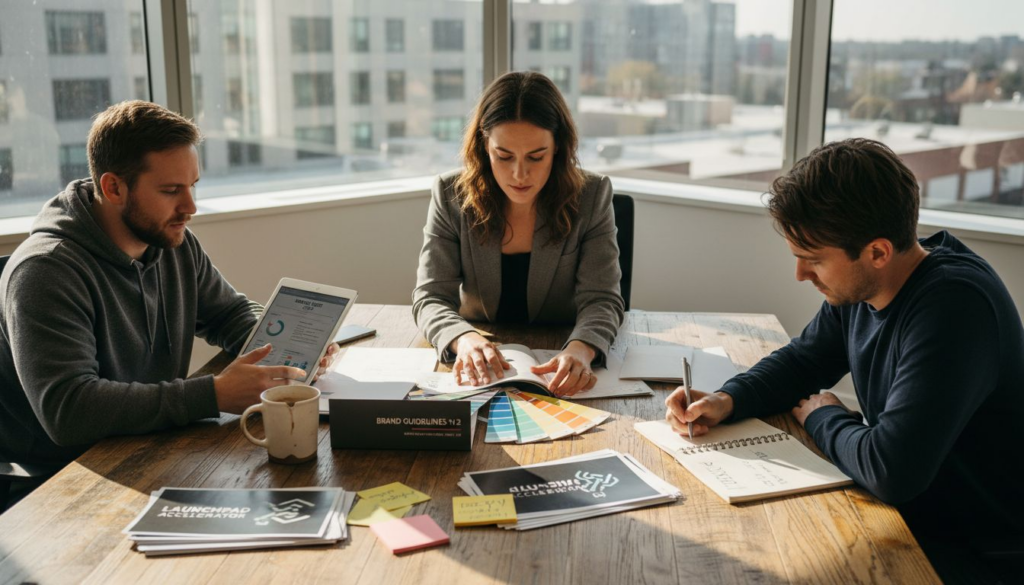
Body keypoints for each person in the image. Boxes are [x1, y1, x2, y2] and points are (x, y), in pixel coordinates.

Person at [664, 138, 1024, 582]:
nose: (799, 275)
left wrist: (825, 417)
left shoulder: (954, 309)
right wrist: (727, 399)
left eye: (813, 260)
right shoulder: (870, 281)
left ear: (877, 252)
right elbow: (805, 361)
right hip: (908, 520)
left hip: (973, 552)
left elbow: (891, 470)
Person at [0, 100, 336, 471]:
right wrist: (214, 394)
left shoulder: (171, 241)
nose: (190, 206)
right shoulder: (45, 271)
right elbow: (69, 410)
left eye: (193, 185)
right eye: (171, 190)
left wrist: (284, 351)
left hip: (154, 444)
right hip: (67, 475)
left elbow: (229, 312)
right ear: (113, 188)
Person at [413, 72, 624, 396]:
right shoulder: (450, 195)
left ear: (558, 148)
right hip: (481, 365)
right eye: (504, 156)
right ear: (484, 146)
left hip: (562, 357)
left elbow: (602, 299)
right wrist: (463, 338)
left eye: (536, 157)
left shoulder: (592, 195)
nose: (519, 174)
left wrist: (582, 349)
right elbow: (430, 297)